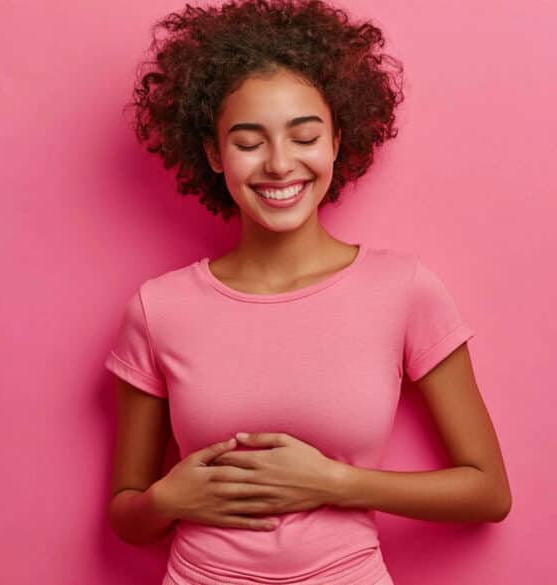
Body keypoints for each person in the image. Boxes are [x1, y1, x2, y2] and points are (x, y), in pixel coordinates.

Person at [104, 1, 512, 583]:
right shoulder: (158, 309)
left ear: (337, 141)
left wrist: (333, 483)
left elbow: (488, 493)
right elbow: (127, 514)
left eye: (304, 136)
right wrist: (168, 500)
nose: (279, 164)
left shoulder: (404, 289)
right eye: (248, 142)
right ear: (214, 154)